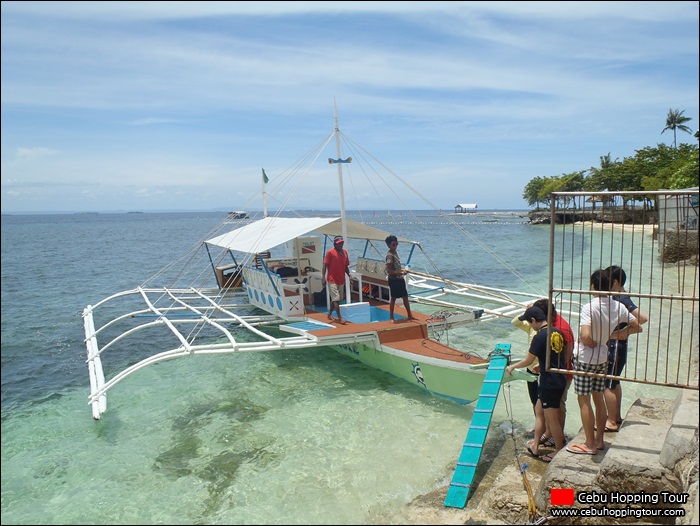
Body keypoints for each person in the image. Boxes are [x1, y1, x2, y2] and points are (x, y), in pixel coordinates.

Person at [566, 269, 641, 456]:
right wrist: (615, 334)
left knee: (584, 401)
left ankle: (589, 443)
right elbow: (637, 326)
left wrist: (588, 340)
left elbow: (584, 335)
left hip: (585, 359)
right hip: (603, 357)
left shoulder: (589, 307)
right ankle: (599, 440)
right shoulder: (618, 306)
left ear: (593, 286)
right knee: (598, 398)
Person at [506, 306, 568, 463]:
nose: (530, 325)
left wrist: (512, 366)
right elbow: (557, 355)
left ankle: (559, 450)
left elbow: (528, 360)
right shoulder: (556, 331)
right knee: (539, 410)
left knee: (551, 418)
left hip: (550, 383)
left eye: (529, 322)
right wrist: (542, 365)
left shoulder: (539, 337)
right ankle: (535, 445)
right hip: (558, 377)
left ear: (534, 321)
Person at [603, 265, 649, 432]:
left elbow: (642, 318)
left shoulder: (621, 299)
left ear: (615, 282)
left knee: (607, 383)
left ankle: (611, 421)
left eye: (607, 280)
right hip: (619, 346)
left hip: (615, 346)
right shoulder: (620, 298)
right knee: (614, 381)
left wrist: (620, 333)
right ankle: (616, 417)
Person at [384, 235, 416, 323]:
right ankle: (391, 317)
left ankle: (410, 315)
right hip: (393, 280)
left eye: (396, 244)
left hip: (400, 278)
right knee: (393, 298)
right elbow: (389, 270)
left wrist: (402, 271)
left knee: (405, 297)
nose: (395, 246)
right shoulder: (389, 255)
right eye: (393, 245)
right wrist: (401, 273)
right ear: (389, 245)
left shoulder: (395, 253)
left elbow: (396, 267)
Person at [322, 235, 351, 324]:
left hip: (341, 279)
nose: (340, 245)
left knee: (337, 299)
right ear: (335, 244)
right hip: (332, 279)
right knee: (335, 298)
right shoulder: (330, 253)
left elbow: (346, 266)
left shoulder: (345, 253)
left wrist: (349, 275)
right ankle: (340, 318)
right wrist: (323, 277)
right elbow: (324, 265)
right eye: (339, 243)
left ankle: (329, 313)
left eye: (342, 243)